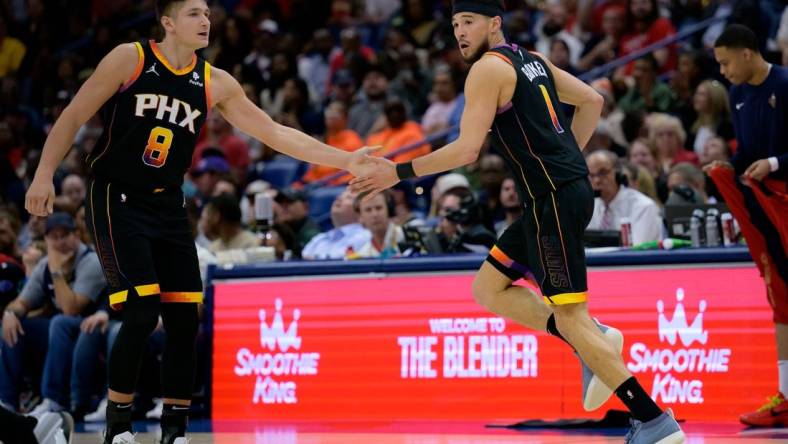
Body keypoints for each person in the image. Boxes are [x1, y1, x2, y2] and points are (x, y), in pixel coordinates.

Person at [23, 1, 378, 442]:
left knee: (185, 318)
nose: (205, 19)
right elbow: (74, 114)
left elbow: (276, 133)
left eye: (207, 12)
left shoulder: (214, 82)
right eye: (193, 12)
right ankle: (119, 427)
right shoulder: (130, 59)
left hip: (169, 203)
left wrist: (346, 159)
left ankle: (175, 429)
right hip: (116, 194)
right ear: (168, 22)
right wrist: (43, 174)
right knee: (140, 310)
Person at [351, 1, 684, 441]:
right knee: (488, 288)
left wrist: (397, 171)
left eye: (468, 22)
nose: (459, 32)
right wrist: (570, 161)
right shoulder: (533, 60)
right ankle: (596, 339)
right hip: (553, 195)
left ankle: (654, 420)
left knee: (570, 316)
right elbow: (592, 100)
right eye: (453, 24)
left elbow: (467, 151)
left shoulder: (487, 70)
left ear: (494, 23)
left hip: (553, 200)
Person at [708, 24, 788, 428]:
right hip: (765, 208)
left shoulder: (786, 84)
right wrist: (729, 168)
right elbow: (749, 155)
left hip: (786, 199)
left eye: (725, 62)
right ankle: (787, 396)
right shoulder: (739, 95)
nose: (723, 72)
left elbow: (772, 157)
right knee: (781, 298)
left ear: (746, 53)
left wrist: (774, 165)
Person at [586, 150, 662, 244]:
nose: (597, 180)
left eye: (603, 173)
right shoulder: (590, 207)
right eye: (591, 175)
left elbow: (638, 249)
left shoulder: (644, 207)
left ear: (617, 173)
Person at [302, 187, 370, 260]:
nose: (339, 199)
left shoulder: (366, 236)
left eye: (349, 198)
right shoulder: (319, 239)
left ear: (363, 211)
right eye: (340, 196)